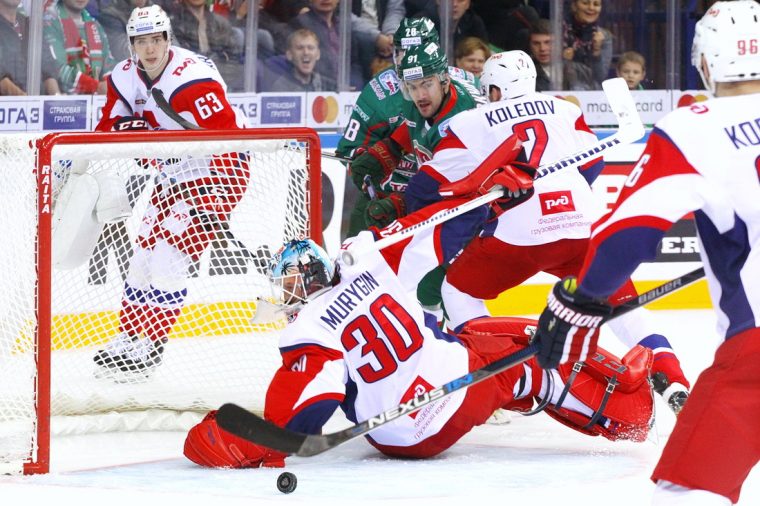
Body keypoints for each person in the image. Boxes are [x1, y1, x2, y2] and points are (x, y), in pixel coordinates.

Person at [182, 203, 658, 468]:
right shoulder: (369, 262)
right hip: (452, 395)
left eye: (289, 283)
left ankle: (567, 390)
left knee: (477, 334)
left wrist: (258, 442)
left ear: (308, 279)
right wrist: (489, 199)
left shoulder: (309, 327)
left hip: (397, 434)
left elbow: (311, 406)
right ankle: (630, 412)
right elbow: (436, 230)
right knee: (531, 357)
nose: (286, 294)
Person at [533, 2, 760, 503]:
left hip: (756, 351)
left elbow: (628, 236)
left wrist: (579, 299)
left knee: (690, 490)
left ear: (705, 62)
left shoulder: (696, 127)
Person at [401, 50, 689, 412]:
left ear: (493, 90)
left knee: (456, 291)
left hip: (517, 236)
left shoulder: (470, 122)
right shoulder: (565, 109)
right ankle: (673, 378)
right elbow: (592, 166)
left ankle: (503, 377)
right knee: (624, 308)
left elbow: (426, 189)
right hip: (581, 226)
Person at [91, 5, 248, 379]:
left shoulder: (192, 80)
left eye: (155, 39)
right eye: (141, 41)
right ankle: (129, 337)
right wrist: (129, 134)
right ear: (131, 44)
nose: (149, 49)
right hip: (171, 174)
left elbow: (229, 137)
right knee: (142, 259)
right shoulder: (124, 76)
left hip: (216, 171)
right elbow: (107, 127)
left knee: (168, 260)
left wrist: (219, 200)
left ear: (167, 39)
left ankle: (152, 345)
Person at [336, 16, 482, 237]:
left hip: (446, 204)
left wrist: (405, 202)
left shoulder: (464, 95)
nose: (407, 59)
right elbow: (351, 151)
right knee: (354, 255)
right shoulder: (381, 91)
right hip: (386, 200)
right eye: (400, 51)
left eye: (415, 50)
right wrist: (369, 164)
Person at [168, 0, 245, 91]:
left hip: (221, 80)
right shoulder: (173, 23)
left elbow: (233, 61)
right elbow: (180, 61)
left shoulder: (220, 23)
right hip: (189, 83)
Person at [43, 0, 116, 94]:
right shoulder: (50, 23)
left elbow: (108, 64)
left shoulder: (95, 25)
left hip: (95, 100)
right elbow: (56, 68)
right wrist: (96, 87)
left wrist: (110, 85)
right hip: (64, 101)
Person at [0, 0, 60, 95]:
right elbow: (2, 81)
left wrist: (56, 98)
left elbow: (48, 70)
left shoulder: (29, 25)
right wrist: (26, 101)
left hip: (36, 101)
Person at [529, 18, 596, 91]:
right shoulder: (526, 76)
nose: (542, 48)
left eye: (548, 42)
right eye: (536, 43)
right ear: (530, 45)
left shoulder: (581, 72)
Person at [562, 0, 612, 87]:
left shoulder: (604, 36)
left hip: (591, 92)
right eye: (585, 3)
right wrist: (564, 60)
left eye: (596, 4)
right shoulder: (559, 32)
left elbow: (600, 77)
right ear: (574, 6)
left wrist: (597, 51)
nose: (591, 8)